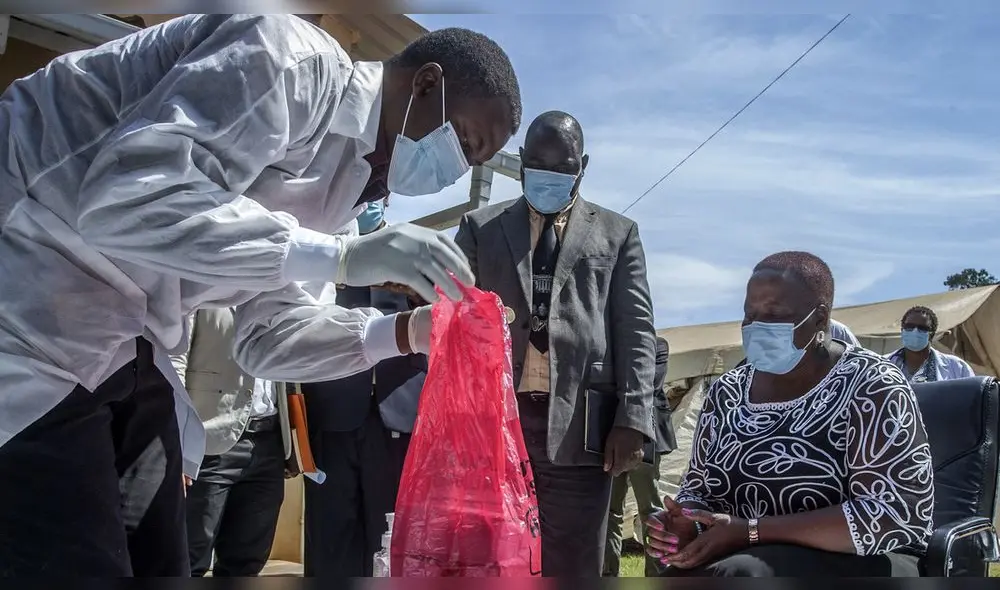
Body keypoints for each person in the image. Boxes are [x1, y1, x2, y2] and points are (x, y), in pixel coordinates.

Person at [0, 15, 521, 576]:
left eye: (471, 162)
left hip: (119, 332)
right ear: (425, 84)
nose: (454, 171)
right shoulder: (289, 59)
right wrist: (338, 258)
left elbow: (266, 338)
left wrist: (406, 332)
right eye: (463, 143)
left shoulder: (346, 187)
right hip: (29, 281)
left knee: (161, 561)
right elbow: (125, 196)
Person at [454, 110, 658, 577]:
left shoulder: (617, 234)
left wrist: (633, 418)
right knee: (493, 560)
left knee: (572, 564)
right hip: (496, 426)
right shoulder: (480, 228)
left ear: (582, 165)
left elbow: (637, 331)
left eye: (561, 168)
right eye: (538, 165)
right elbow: (452, 323)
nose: (548, 176)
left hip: (581, 428)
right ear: (522, 161)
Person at [646, 251, 933, 578]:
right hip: (747, 552)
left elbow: (890, 514)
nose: (756, 327)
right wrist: (688, 524)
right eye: (749, 315)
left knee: (739, 575)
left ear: (820, 319)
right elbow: (700, 492)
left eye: (774, 315)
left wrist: (751, 531)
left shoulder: (871, 384)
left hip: (868, 559)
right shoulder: (728, 392)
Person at [299, 200, 428, 577]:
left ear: (387, 199)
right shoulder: (323, 246)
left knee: (389, 538)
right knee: (330, 537)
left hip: (399, 417)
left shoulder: (412, 247)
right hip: (334, 412)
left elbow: (440, 310)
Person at [170, 308, 290, 577]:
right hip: (209, 439)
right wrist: (177, 442)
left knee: (247, 561)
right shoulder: (204, 286)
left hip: (268, 441)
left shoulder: (279, 293)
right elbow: (175, 361)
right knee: (190, 557)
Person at [604, 336, 676, 577]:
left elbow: (648, 382)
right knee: (610, 512)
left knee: (651, 510)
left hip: (645, 438)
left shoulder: (658, 345)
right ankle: (608, 572)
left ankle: (656, 574)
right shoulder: (613, 346)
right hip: (612, 437)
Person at [887, 305, 975, 383]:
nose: (915, 331)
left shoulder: (958, 368)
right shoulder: (882, 363)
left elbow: (972, 397)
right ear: (902, 330)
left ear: (931, 334)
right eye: (909, 327)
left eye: (922, 328)